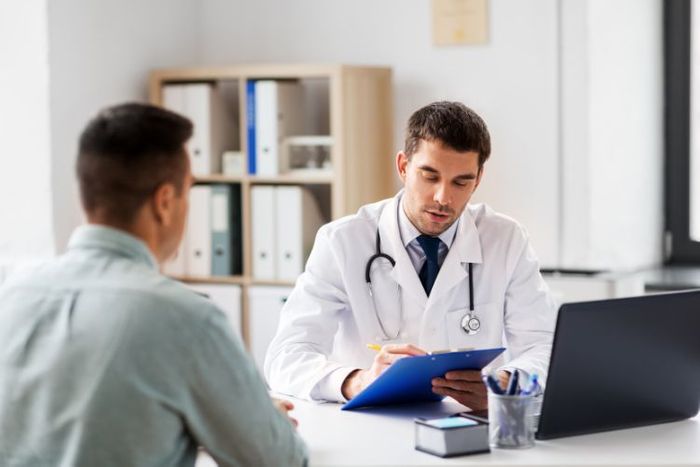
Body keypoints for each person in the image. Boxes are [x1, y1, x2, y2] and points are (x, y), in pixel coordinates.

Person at [0, 103, 307, 466]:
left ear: (84, 194)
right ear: (164, 202)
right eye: (189, 192)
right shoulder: (186, 318)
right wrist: (258, 418)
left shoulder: (13, 293)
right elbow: (276, 460)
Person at [265, 101, 557, 409]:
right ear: (403, 166)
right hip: (371, 427)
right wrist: (357, 381)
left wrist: (506, 385)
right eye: (430, 176)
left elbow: (545, 346)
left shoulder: (505, 239)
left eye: (462, 181)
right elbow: (286, 357)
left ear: (478, 178)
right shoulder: (343, 241)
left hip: (465, 428)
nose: (443, 198)